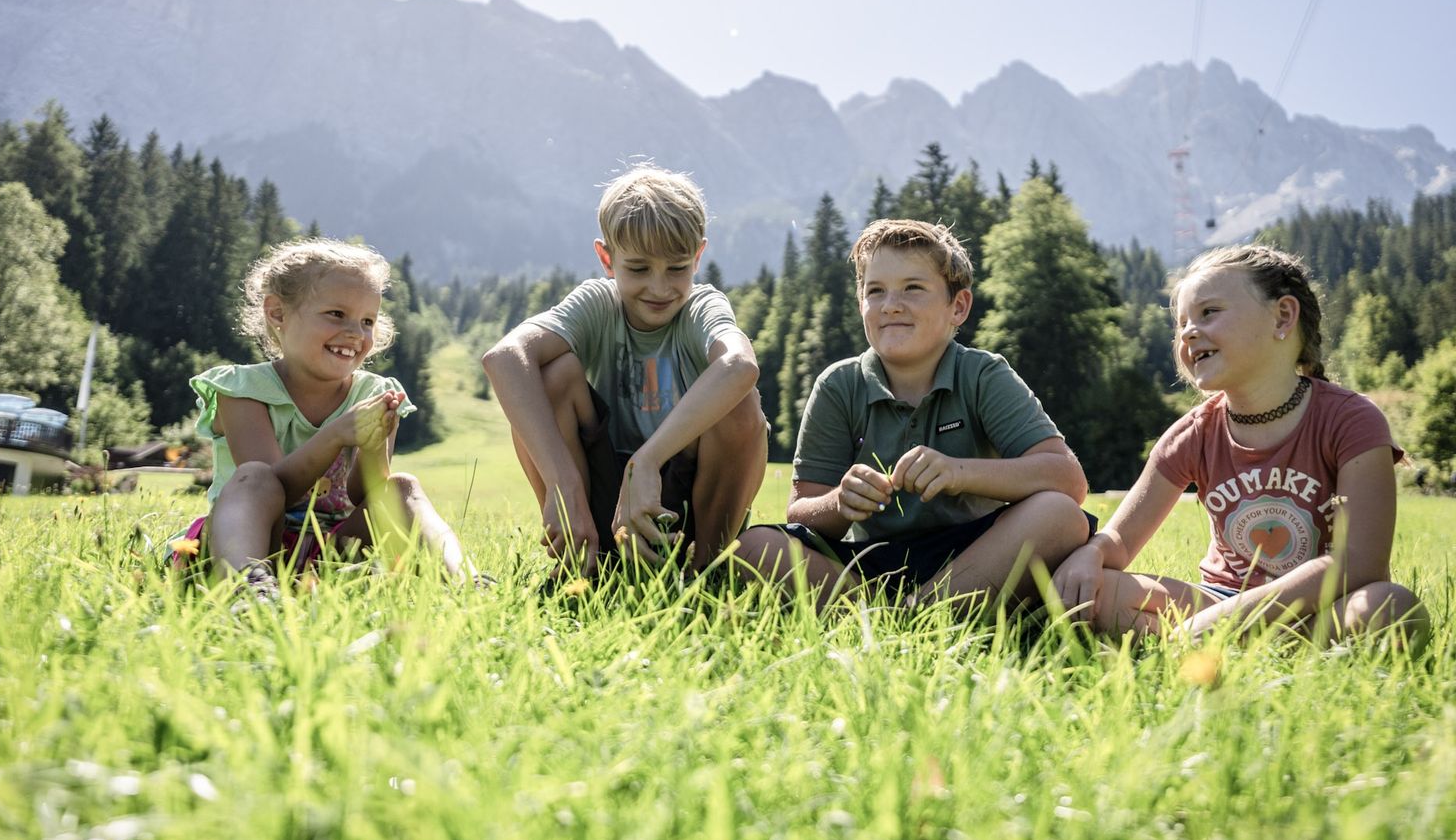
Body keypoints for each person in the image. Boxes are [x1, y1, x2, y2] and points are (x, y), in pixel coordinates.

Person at [1051, 244, 1427, 644]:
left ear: (1283, 316)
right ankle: (1263, 651)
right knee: (1101, 592)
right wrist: (1091, 554)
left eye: (1209, 312)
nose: (1189, 332)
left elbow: (1360, 563)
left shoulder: (1352, 420)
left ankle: (1218, 645)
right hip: (1217, 599)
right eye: (1181, 324)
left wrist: (1220, 625)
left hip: (1323, 606)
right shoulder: (1191, 435)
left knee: (1391, 606)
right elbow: (1120, 541)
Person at [732, 218, 1093, 610]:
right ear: (861, 304)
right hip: (869, 564)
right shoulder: (839, 385)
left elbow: (1067, 480)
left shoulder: (983, 375)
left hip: (978, 554)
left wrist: (959, 473)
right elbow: (803, 512)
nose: (892, 305)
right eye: (876, 291)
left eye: (913, 289)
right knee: (753, 547)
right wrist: (840, 503)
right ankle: (903, 615)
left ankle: (919, 612)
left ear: (958, 307)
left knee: (1060, 515)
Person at [482, 165, 767, 573]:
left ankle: (706, 572)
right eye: (638, 269)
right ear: (606, 258)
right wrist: (563, 484)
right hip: (600, 499)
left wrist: (646, 462)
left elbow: (740, 365)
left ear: (698, 256)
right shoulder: (598, 303)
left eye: (677, 267)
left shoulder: (702, 306)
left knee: (741, 405)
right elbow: (504, 358)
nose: (659, 287)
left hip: (686, 502)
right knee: (552, 376)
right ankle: (583, 566)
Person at [180, 238, 471, 594]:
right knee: (254, 477)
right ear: (278, 314)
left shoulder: (373, 393)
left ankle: (465, 582)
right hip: (241, 545)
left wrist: (375, 440)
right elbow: (272, 488)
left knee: (402, 488)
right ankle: (247, 588)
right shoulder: (242, 389)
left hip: (330, 555)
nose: (355, 333)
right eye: (337, 314)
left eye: (368, 321)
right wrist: (335, 435)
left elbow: (368, 493)